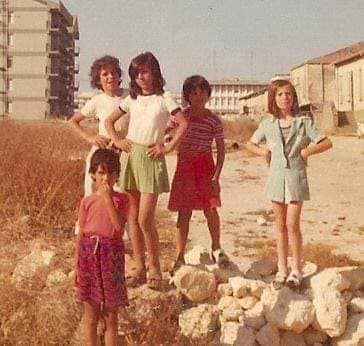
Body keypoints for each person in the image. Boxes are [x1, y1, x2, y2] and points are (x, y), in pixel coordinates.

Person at [105, 52, 188, 290]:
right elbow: (110, 122)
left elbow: (183, 123)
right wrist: (117, 141)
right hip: (132, 156)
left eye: (145, 71)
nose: (141, 77)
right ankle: (139, 267)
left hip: (152, 158)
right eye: (136, 73)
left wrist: (168, 146)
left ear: (155, 72)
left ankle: (155, 267)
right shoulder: (131, 99)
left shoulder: (165, 98)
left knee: (145, 218)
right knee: (132, 218)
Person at [245, 80, 332, 288]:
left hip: (296, 179)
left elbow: (326, 142)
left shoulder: (303, 123)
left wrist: (308, 151)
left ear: (293, 98)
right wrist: (263, 152)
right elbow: (250, 144)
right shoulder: (268, 124)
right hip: (276, 179)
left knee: (293, 225)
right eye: (280, 94)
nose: (285, 97)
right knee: (280, 226)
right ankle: (282, 268)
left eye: (288, 94)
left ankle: (296, 269)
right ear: (273, 99)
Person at [167, 75, 229, 274]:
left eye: (202, 91)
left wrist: (216, 176)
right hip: (185, 166)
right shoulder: (180, 118)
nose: (199, 96)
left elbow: (220, 149)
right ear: (187, 95)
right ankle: (179, 255)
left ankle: (216, 247)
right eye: (194, 92)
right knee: (184, 212)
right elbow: (161, 131)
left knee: (210, 209)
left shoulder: (213, 120)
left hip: (205, 167)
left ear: (208, 94)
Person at [74, 148, 129, 346]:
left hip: (111, 255)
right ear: (92, 175)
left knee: (111, 315)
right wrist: (76, 266)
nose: (106, 177)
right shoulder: (87, 201)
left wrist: (107, 200)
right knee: (91, 313)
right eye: (101, 172)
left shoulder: (122, 200)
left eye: (111, 173)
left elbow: (119, 226)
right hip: (89, 255)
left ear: (117, 176)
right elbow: (81, 234)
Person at [68, 55, 129, 196]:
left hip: (124, 153)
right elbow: (72, 121)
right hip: (101, 152)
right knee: (93, 194)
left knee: (121, 196)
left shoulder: (130, 96)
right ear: (98, 79)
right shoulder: (97, 101)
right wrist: (90, 138)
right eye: (105, 74)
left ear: (119, 75)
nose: (110, 77)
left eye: (114, 73)